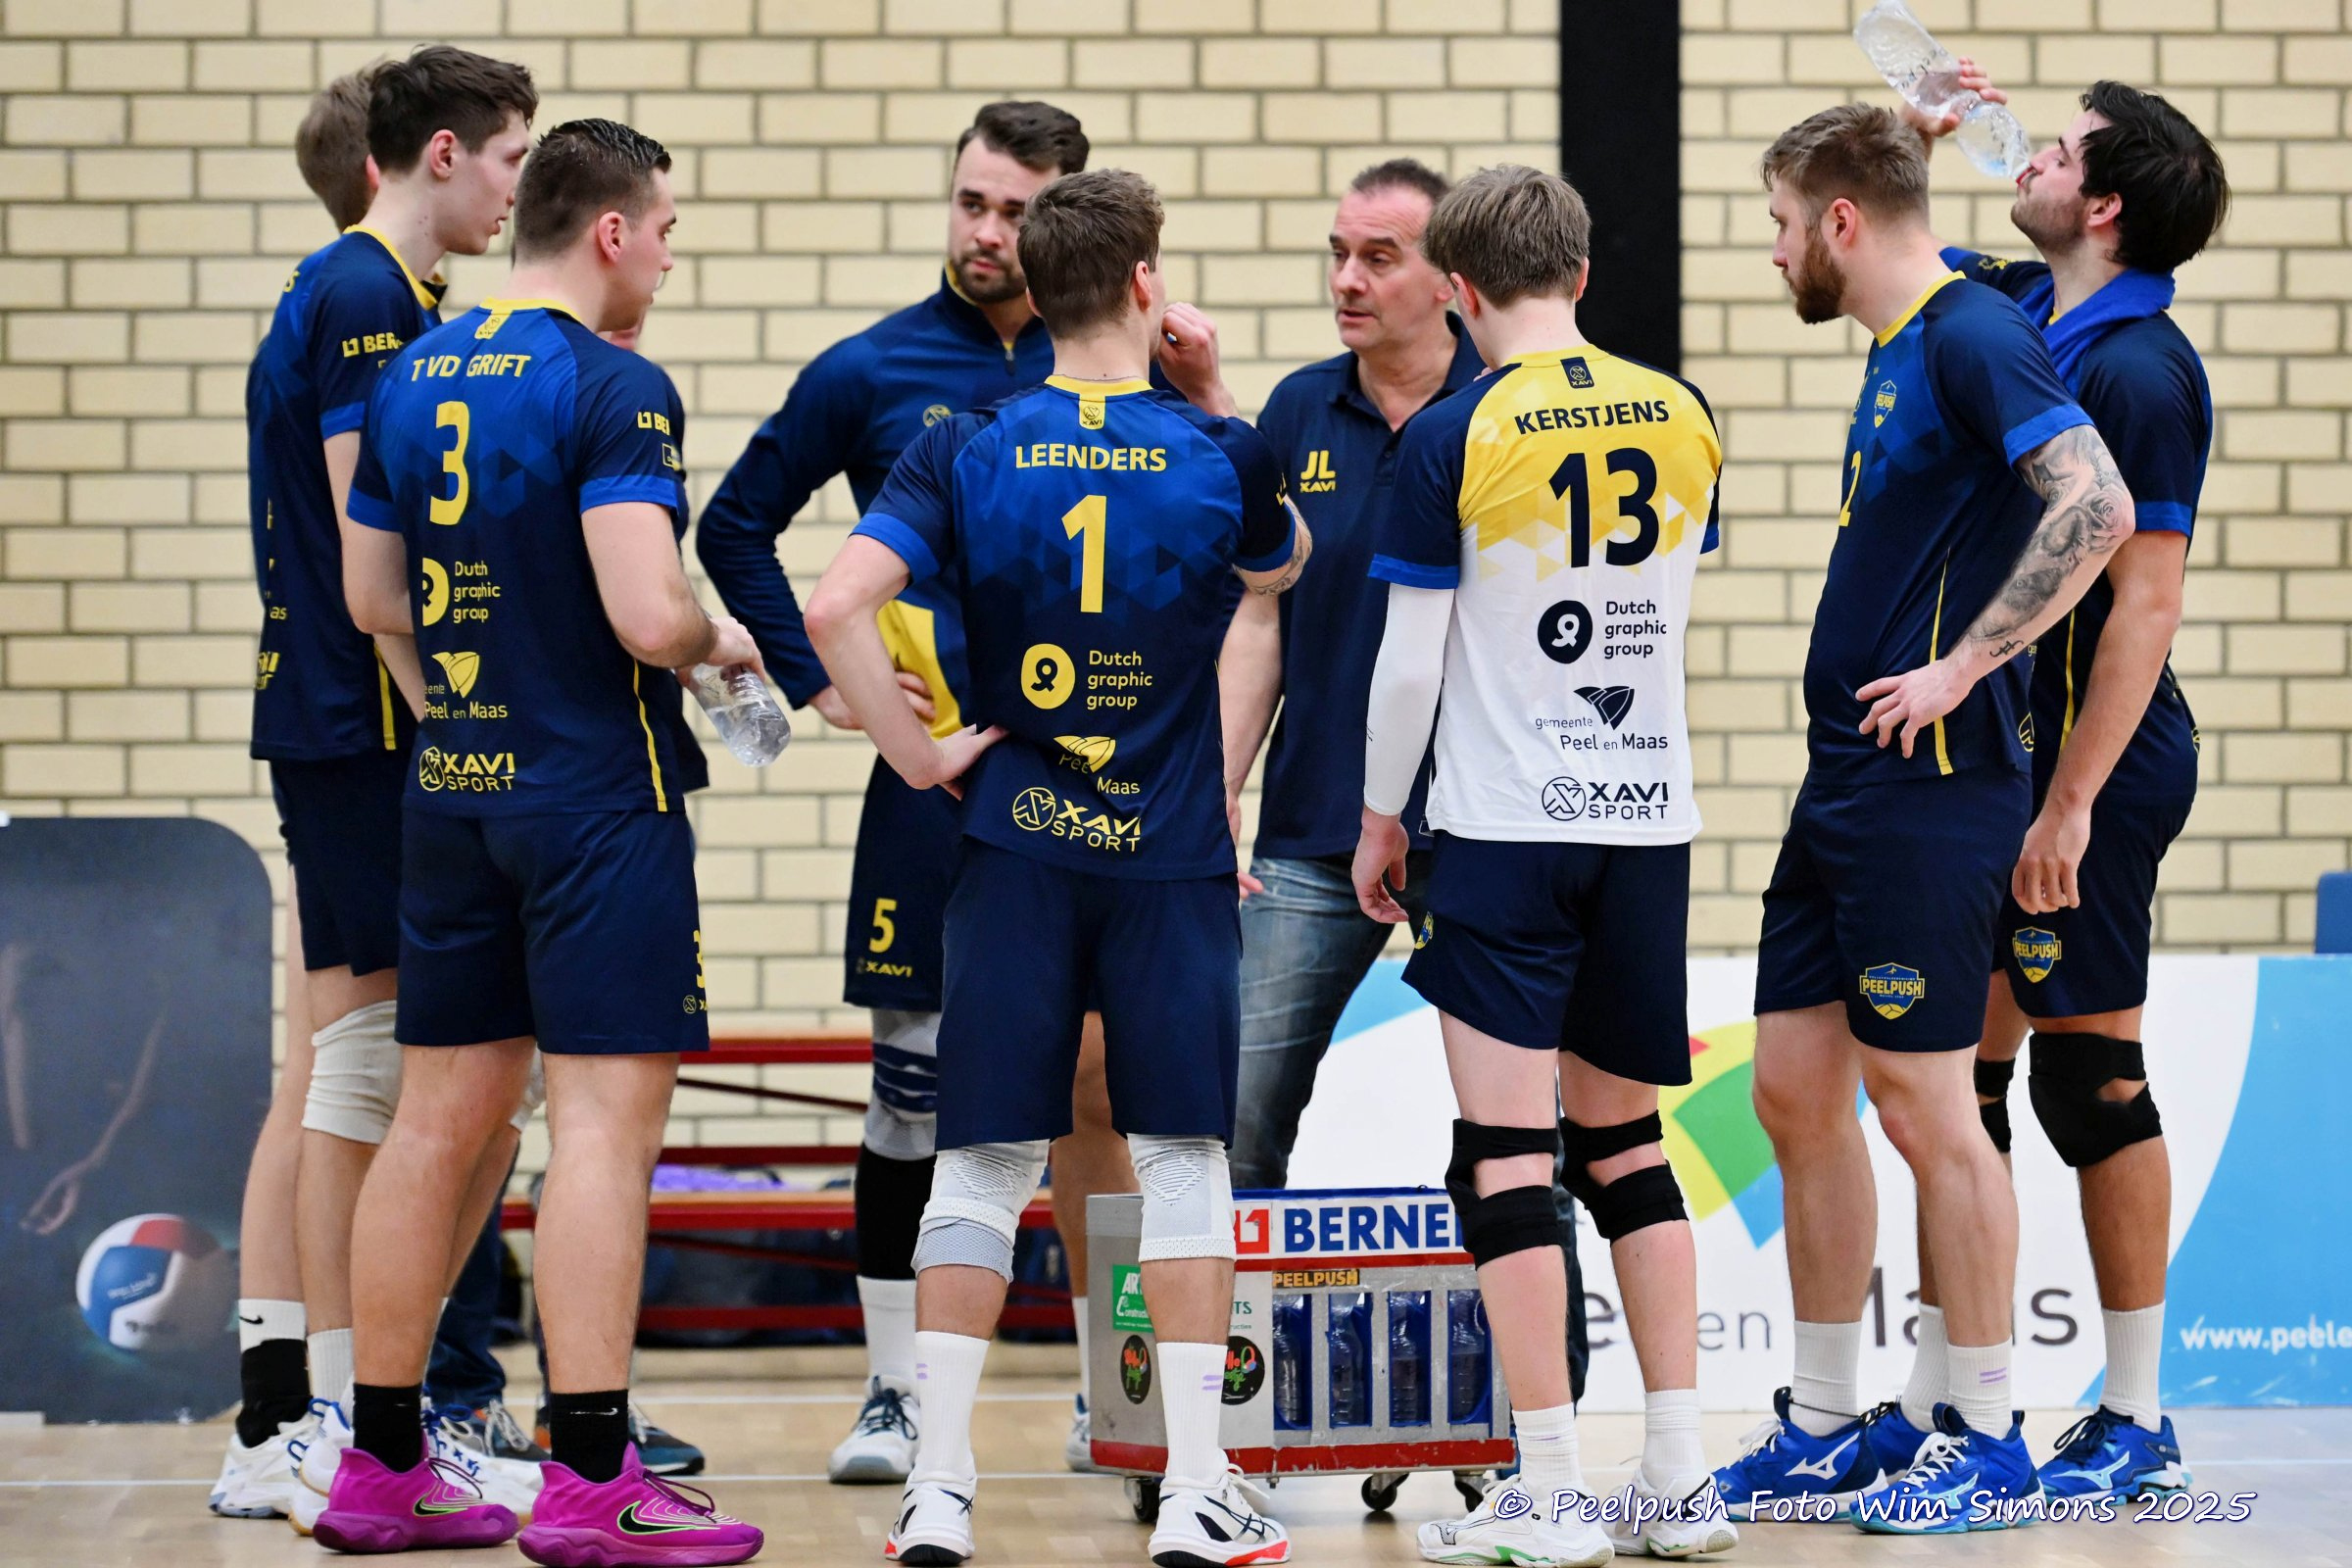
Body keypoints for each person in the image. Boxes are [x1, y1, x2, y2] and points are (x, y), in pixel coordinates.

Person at [805, 166, 1309, 1568]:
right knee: (1182, 1163)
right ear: (1147, 284)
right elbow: (1282, 570)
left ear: (1033, 292)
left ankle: (939, 1487)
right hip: (1169, 854)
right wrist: (1212, 395)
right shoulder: (1223, 452)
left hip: (1012, 843)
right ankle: (1195, 1488)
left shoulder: (964, 440)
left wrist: (921, 756)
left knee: (978, 1165)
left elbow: (837, 607)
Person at [698, 100, 1161, 1482]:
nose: (986, 232)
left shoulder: (1127, 374)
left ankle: (1114, 1392)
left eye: (1015, 210)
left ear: (1065, 220)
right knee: (912, 1094)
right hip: (931, 789)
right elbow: (736, 523)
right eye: (971, 201)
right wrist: (820, 683)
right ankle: (894, 1396)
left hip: (1088, 787)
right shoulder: (872, 368)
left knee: (1096, 1096)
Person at [326, 118, 762, 1563]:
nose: (671, 260)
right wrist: (717, 640)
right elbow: (646, 613)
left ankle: (379, 1464)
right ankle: (588, 1479)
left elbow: (372, 597)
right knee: (601, 1135)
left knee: (433, 1124)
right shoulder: (615, 384)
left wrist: (463, 717)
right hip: (593, 804)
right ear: (614, 231)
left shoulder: (409, 374)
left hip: (452, 791)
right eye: (670, 232)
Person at [1711, 104, 2135, 1536]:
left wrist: (1966, 664)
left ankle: (1993, 1435)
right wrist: (1908, 128)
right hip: (1842, 779)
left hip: (1932, 787)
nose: (1775, 251)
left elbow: (2097, 505)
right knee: (1792, 1090)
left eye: (1782, 224)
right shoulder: (1915, 325)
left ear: (1837, 223)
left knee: (1927, 1106)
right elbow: (1914, 212)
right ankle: (1828, 1424)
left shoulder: (1971, 337)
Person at [1347, 166, 1732, 1567]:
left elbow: (1411, 664)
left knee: (1507, 1155)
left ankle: (1556, 1488)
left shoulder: (1453, 430)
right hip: (1647, 823)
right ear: (1580, 272)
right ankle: (1679, 1477)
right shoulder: (1683, 412)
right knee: (1628, 1147)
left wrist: (1381, 817)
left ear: (1458, 288)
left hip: (1506, 828)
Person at [1889, 68, 2226, 1504]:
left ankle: (2137, 1415)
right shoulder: (2030, 306)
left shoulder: (2141, 371)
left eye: (2064, 152)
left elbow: (2146, 604)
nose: (2027, 154)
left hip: (2096, 765)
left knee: (2089, 1083)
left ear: (2106, 206)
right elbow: (1894, 254)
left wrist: (2071, 805)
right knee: (1956, 1082)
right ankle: (1941, 1395)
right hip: (2002, 757)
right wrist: (1915, 138)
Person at [214, 48, 539, 1523]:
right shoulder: (362, 294)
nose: (518, 188)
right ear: (440, 153)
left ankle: (286, 1411)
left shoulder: (384, 295)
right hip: (360, 722)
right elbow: (377, 557)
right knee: (363, 1067)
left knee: (333, 1067)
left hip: (348, 720)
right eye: (512, 157)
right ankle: (339, 1418)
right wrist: (457, 704)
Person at [1215, 157, 1483, 1187]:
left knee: (1520, 1145)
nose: (1347, 281)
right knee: (1230, 1116)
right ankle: (1222, 1308)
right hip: (1317, 830)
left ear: (1450, 278)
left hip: (1479, 827)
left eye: (1379, 257)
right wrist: (1220, 788)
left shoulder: (1502, 407)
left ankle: (1540, 1304)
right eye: (1338, 255)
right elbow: (1259, 617)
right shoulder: (1297, 409)